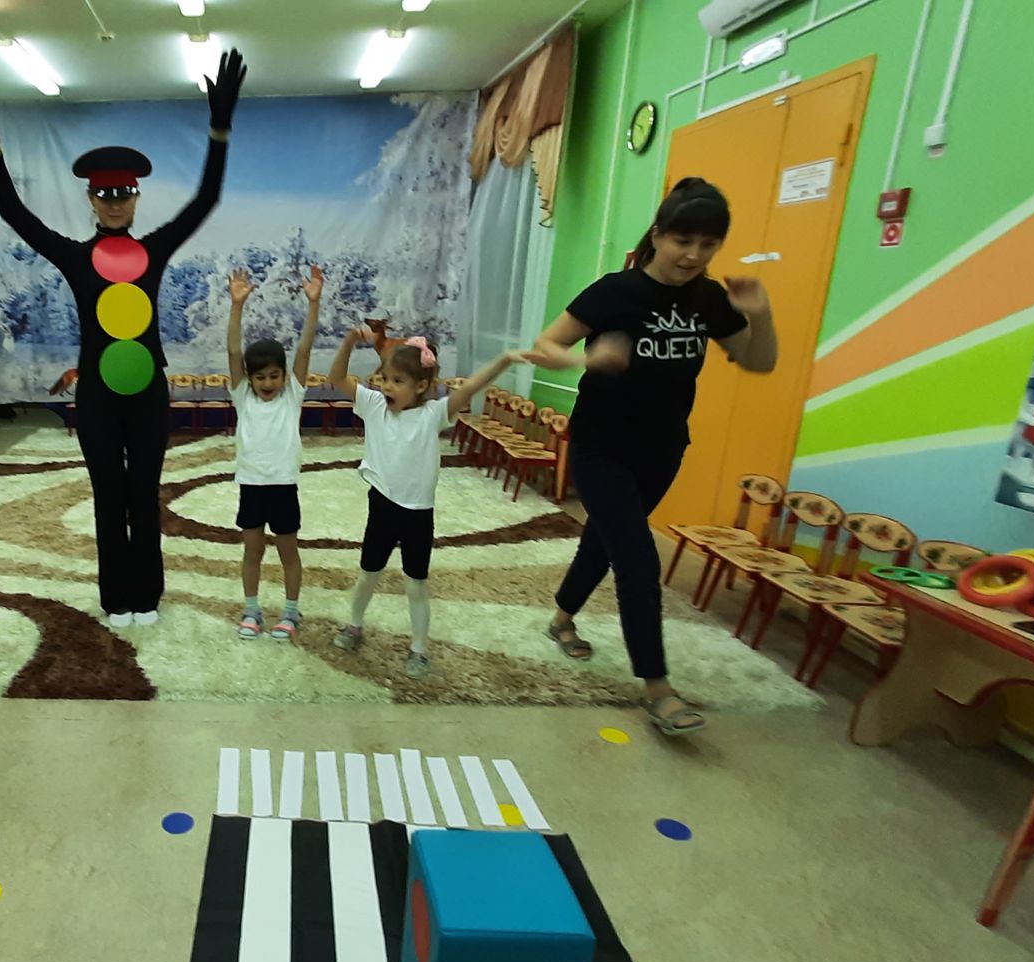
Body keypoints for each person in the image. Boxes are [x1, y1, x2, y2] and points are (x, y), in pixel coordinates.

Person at [0, 50, 247, 628]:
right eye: (105, 195)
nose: (115, 203)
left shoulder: (155, 249)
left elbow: (205, 200)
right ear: (91, 199)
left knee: (143, 494)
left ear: (137, 198)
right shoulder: (75, 256)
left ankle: (147, 594)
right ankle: (116, 596)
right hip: (97, 394)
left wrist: (219, 132)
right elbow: (14, 212)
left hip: (147, 394)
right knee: (108, 497)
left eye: (124, 194)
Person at [528, 177, 778, 736]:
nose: (693, 255)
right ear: (659, 234)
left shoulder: (708, 299)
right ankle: (658, 688)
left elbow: (758, 361)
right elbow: (546, 346)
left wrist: (760, 315)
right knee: (638, 559)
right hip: (599, 447)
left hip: (663, 449)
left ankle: (561, 619)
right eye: (682, 241)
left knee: (605, 540)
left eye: (708, 244)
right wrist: (588, 361)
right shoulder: (615, 291)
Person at [326, 326, 523, 678]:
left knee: (415, 584)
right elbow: (337, 377)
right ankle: (354, 625)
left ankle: (419, 649)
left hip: (418, 514)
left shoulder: (433, 414)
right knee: (368, 573)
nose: (386, 387)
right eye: (384, 379)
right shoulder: (373, 405)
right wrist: (348, 342)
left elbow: (472, 387)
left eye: (397, 381)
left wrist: (504, 359)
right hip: (382, 507)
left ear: (420, 386)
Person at [227, 264, 323, 640]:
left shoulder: (292, 395)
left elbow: (305, 348)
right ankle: (252, 610)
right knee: (252, 552)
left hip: (283, 486)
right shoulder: (243, 396)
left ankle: (291, 612)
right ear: (249, 378)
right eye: (260, 377)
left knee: (288, 553)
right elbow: (233, 350)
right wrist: (237, 305)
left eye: (274, 375)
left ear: (284, 376)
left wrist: (313, 304)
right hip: (251, 486)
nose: (267, 383)